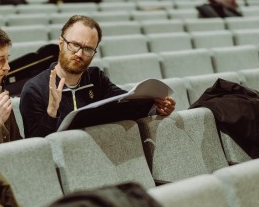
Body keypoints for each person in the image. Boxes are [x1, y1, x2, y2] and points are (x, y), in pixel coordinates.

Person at [20, 15, 175, 138]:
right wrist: (52, 112)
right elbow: (36, 149)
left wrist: (157, 107)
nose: (79, 54)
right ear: (61, 43)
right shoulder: (35, 89)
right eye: (74, 45)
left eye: (88, 49)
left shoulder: (96, 79)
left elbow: (126, 103)